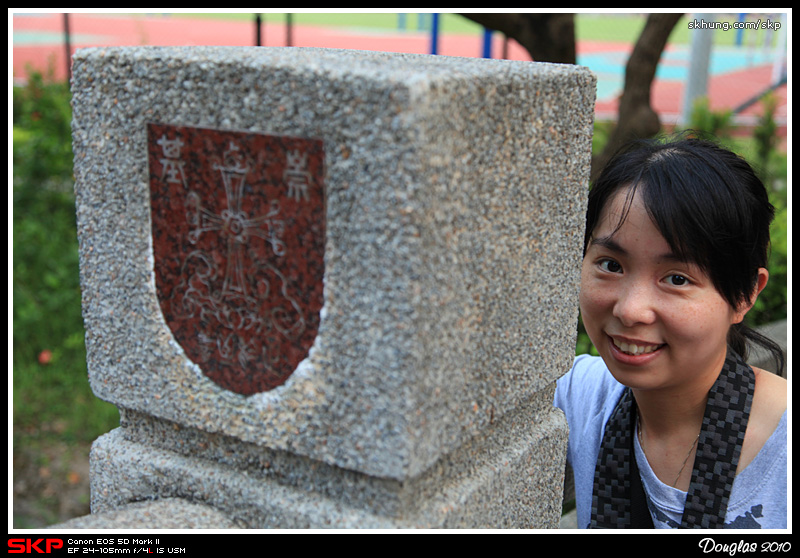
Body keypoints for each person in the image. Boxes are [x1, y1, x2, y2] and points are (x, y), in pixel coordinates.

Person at [554, 135, 787, 529]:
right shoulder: (580, 393)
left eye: (676, 278)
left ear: (746, 294)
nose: (630, 310)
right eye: (611, 265)